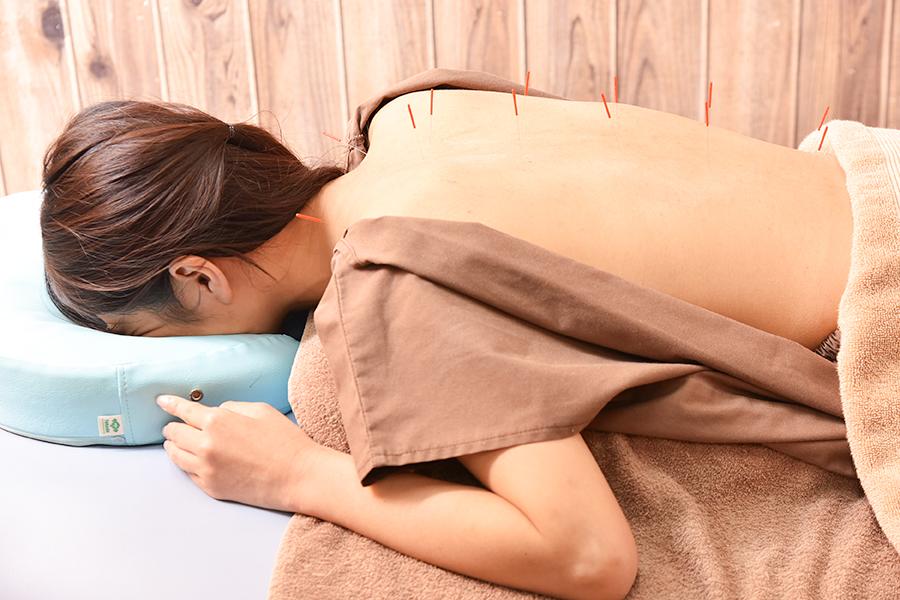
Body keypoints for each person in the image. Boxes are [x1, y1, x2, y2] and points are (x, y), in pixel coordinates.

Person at [40, 95, 852, 599]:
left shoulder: (389, 287)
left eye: (150, 337)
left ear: (197, 277)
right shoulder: (411, 113)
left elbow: (589, 558)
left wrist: (298, 475)